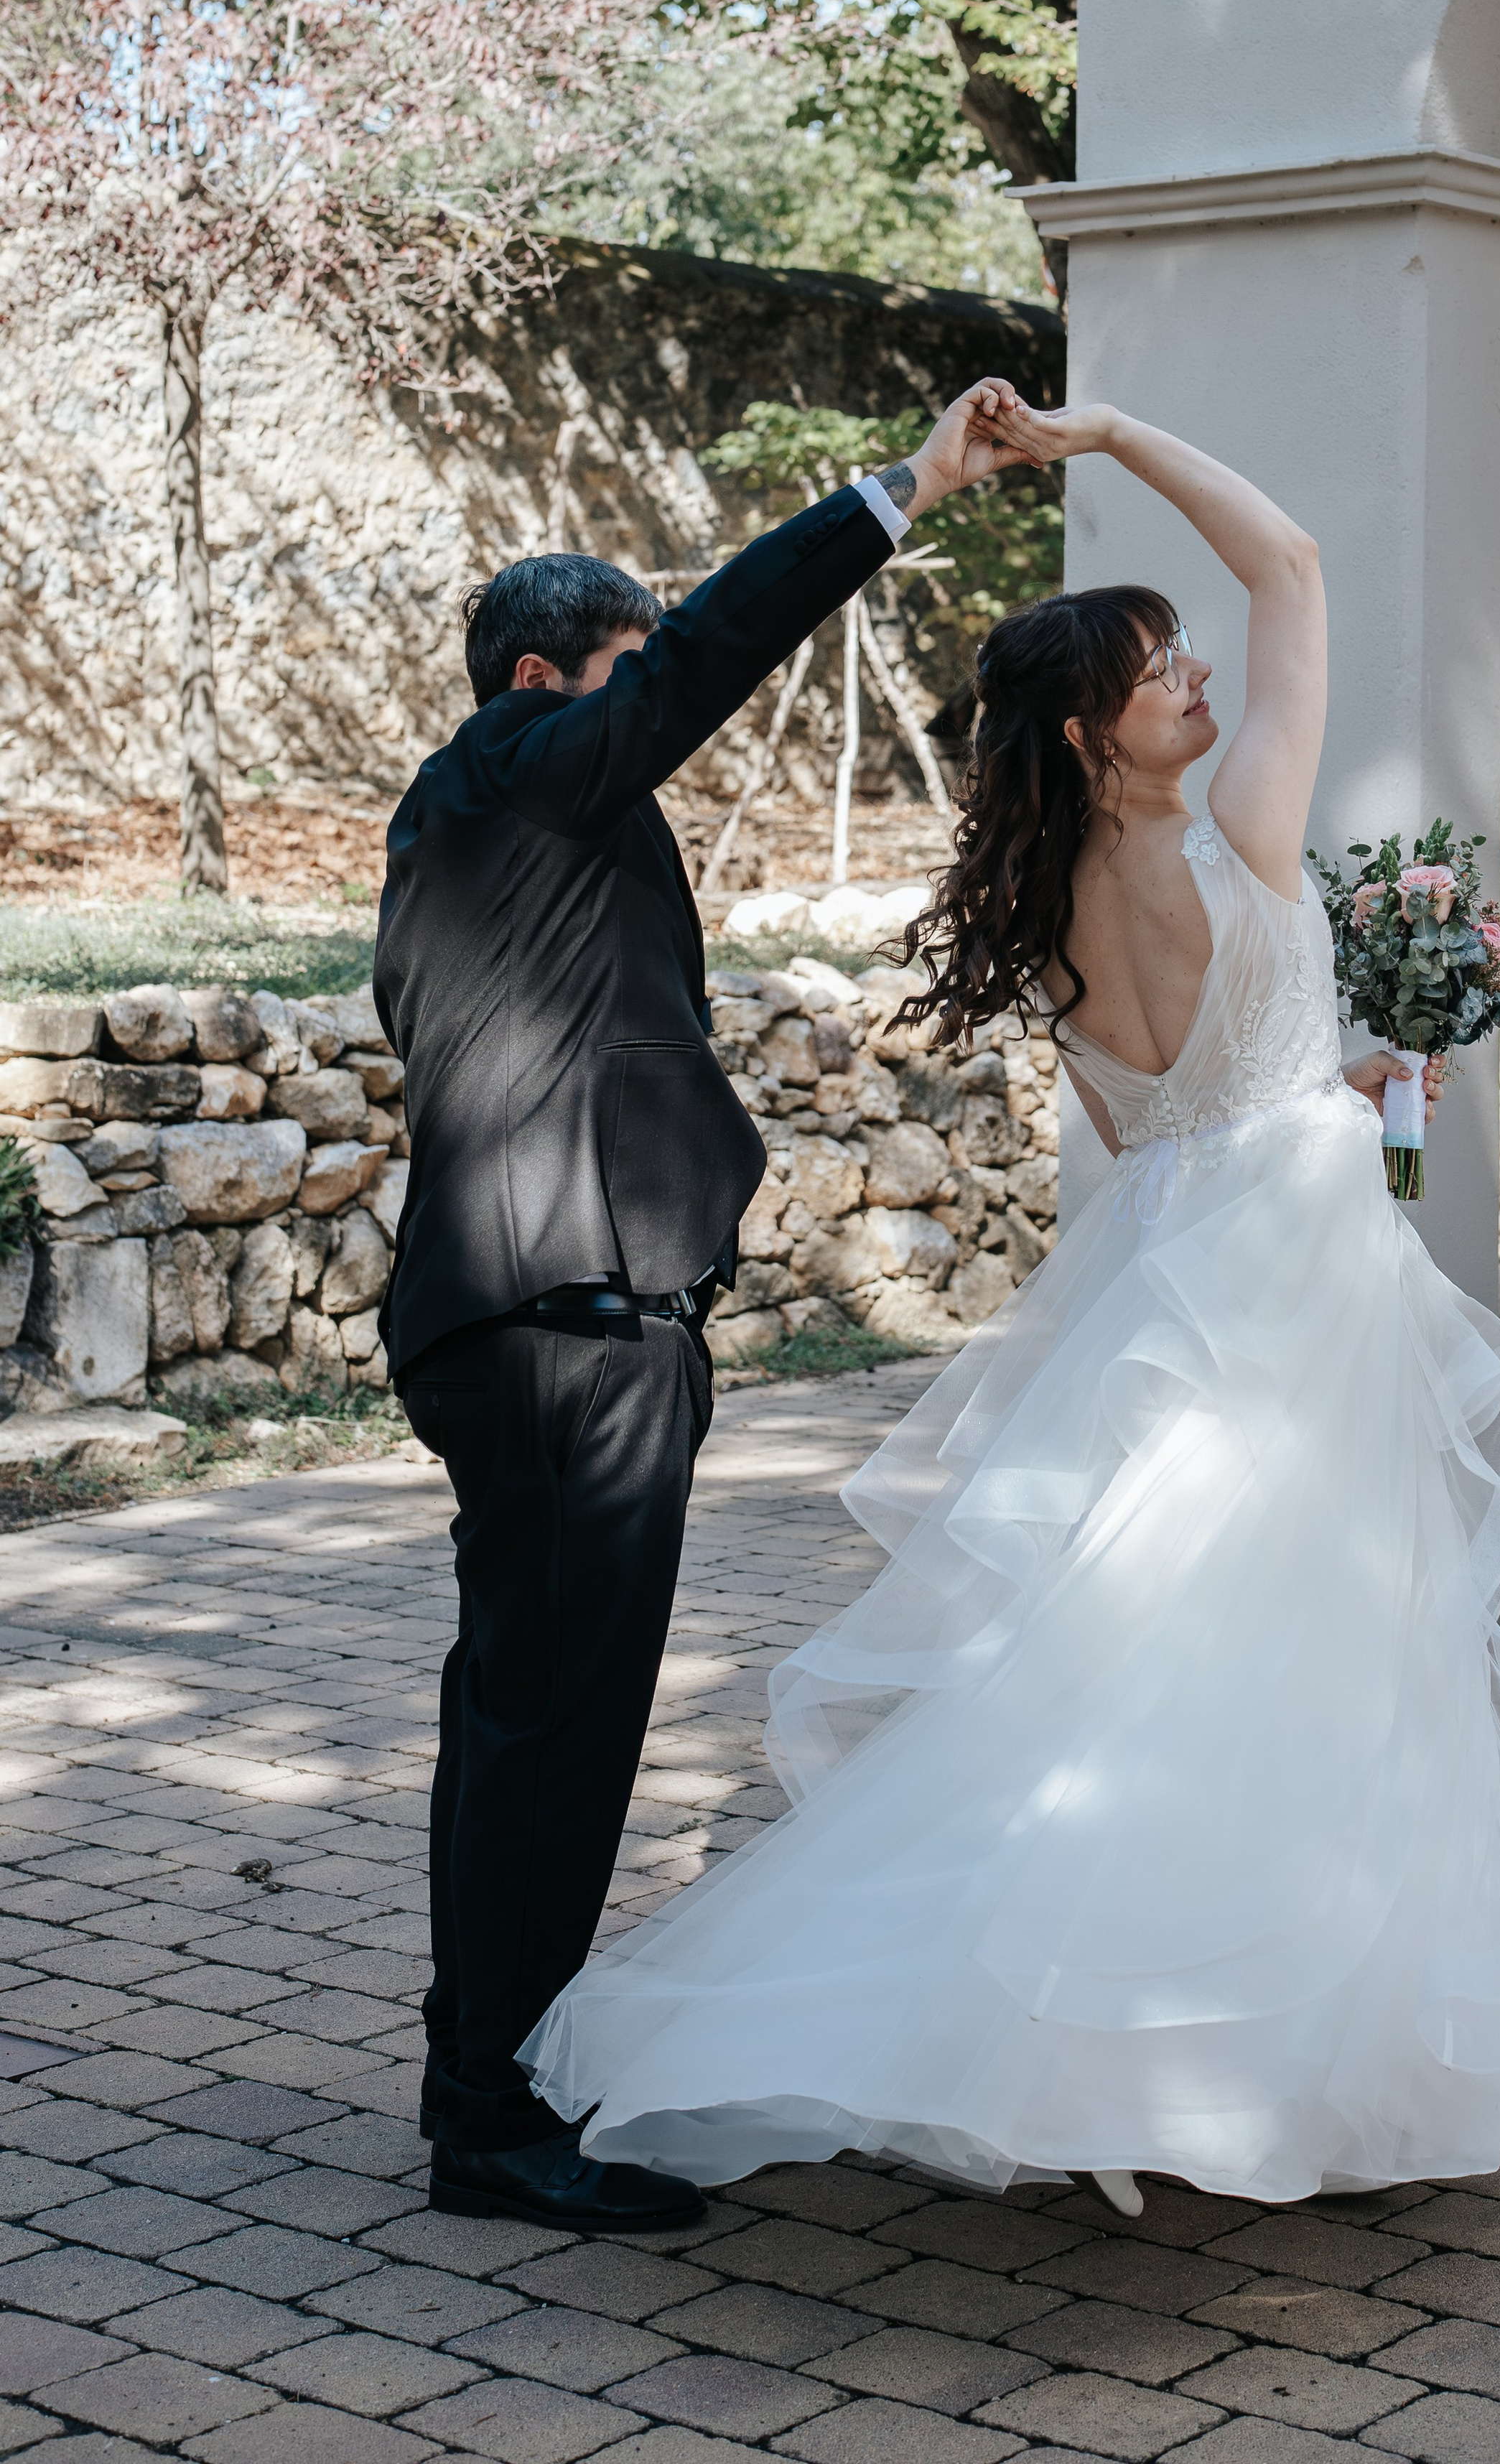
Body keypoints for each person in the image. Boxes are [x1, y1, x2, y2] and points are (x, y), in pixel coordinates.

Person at [521, 402, 1500, 2213]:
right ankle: (1244, 2054)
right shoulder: (1236, 832)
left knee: (1165, 1644)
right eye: (1159, 668)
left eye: (1186, 660)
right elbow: (1297, 565)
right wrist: (1100, 431)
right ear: (1096, 733)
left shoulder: (1048, 916)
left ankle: (1126, 2029)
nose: (1196, 680)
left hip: (1190, 1268)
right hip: (1288, 1288)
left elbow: (1151, 1123)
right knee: (1304, 1649)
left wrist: (1325, 1086)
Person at [373, 378, 1040, 2235]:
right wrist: (903, 490)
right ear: (536, 684)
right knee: (557, 1730)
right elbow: (718, 656)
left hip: (526, 1316)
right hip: (568, 1327)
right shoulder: (512, 772)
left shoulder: (472, 840)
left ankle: (485, 2073)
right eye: (624, 675)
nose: (648, 706)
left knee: (520, 1718)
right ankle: (494, 2120)